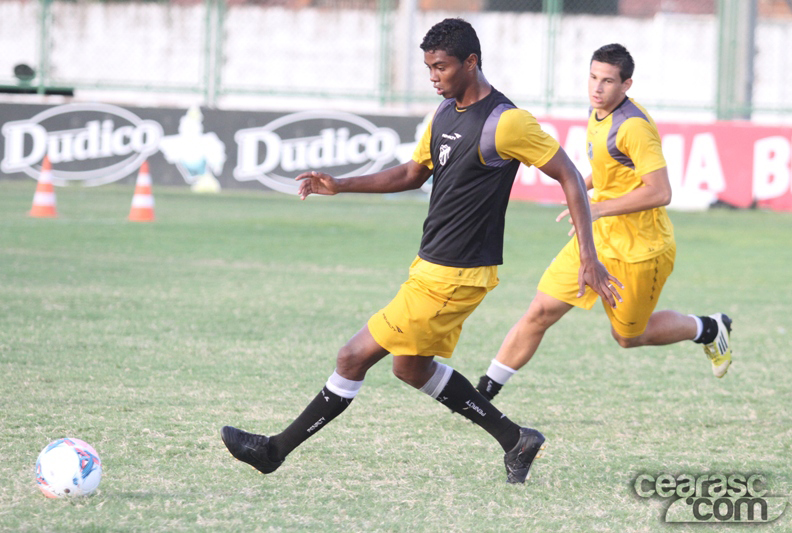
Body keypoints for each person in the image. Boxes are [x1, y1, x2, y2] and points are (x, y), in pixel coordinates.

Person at [220, 18, 618, 484]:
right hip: (430, 265)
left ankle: (273, 451)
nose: (434, 76)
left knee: (352, 357)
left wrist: (587, 255)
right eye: (429, 67)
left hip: (457, 273)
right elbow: (412, 173)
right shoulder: (445, 112)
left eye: (442, 67)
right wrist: (341, 185)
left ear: (471, 62)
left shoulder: (506, 122)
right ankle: (516, 439)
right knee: (410, 368)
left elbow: (569, 174)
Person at [475, 43, 733, 403]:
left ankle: (708, 328)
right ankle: (484, 391)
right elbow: (608, 165)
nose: (597, 88)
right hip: (596, 239)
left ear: (626, 85)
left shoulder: (634, 127)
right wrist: (581, 187)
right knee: (540, 311)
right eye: (593, 78)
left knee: (628, 337)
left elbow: (660, 192)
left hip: (641, 251)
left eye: (608, 81)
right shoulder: (598, 112)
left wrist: (596, 208)